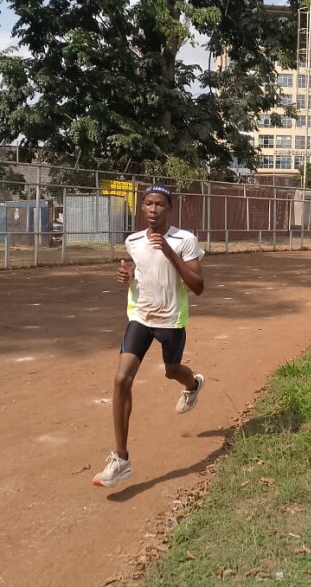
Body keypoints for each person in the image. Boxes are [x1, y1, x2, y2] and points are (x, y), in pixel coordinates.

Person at [93, 185, 206, 488]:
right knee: (121, 379)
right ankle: (121, 459)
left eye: (159, 204)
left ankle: (193, 384)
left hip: (171, 320)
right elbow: (140, 269)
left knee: (173, 371)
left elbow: (198, 286)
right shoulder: (132, 241)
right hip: (141, 317)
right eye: (148, 203)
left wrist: (169, 252)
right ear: (141, 207)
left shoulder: (184, 240)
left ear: (169, 208)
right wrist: (127, 275)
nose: (153, 209)